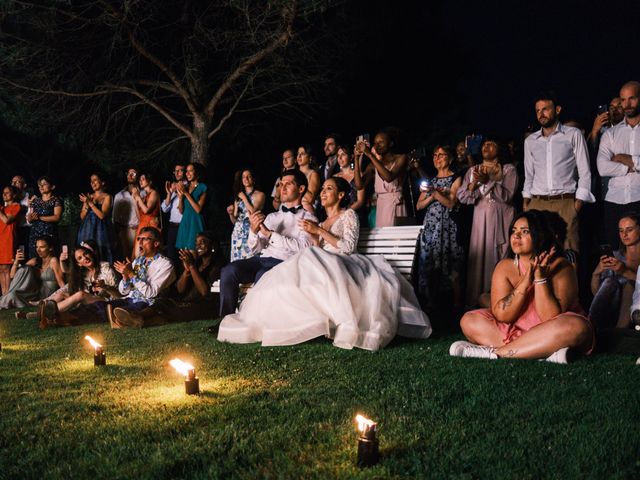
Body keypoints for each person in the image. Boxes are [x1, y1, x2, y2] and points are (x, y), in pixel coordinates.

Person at [217, 176, 431, 350]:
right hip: (321, 261)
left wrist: (318, 231)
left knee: (309, 267)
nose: (323, 192)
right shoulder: (317, 221)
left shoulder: (348, 215)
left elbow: (347, 247)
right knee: (300, 269)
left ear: (340, 195)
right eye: (323, 189)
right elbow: (314, 249)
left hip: (345, 263)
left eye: (329, 189)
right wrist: (316, 236)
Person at [450, 210, 594, 363]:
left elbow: (549, 317)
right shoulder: (504, 267)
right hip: (517, 330)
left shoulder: (562, 266)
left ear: (540, 235)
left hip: (552, 330)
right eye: (514, 231)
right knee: (469, 319)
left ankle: (497, 353)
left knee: (576, 327)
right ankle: (541, 351)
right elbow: (502, 316)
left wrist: (539, 278)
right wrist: (526, 281)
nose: (516, 236)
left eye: (525, 231)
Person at [218, 169, 317, 318]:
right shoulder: (272, 216)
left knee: (262, 275)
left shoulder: (309, 218)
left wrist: (271, 234)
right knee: (229, 270)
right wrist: (253, 230)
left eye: (288, 184)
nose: (282, 188)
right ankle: (225, 320)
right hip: (261, 259)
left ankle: (255, 321)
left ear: (301, 189)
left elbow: (302, 247)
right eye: (280, 184)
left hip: (285, 263)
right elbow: (255, 248)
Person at [39, 227, 175, 328]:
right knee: (99, 306)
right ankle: (55, 317)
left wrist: (132, 274)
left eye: (145, 239)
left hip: (147, 303)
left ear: (156, 243)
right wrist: (125, 277)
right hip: (128, 299)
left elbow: (151, 293)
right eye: (139, 239)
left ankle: (58, 320)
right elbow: (124, 291)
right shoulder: (138, 261)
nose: (140, 242)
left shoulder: (165, 264)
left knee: (108, 311)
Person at [522, 92, 595, 252]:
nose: (541, 114)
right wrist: (526, 202)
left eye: (546, 109)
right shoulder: (530, 141)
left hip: (565, 203)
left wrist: (577, 204)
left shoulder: (573, 134)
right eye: (538, 110)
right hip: (537, 203)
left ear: (558, 109)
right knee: (536, 252)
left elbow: (585, 171)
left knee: (569, 252)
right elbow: (529, 174)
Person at [111, 231, 223, 328]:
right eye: (196, 243)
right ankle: (136, 319)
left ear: (212, 245)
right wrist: (187, 271)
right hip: (187, 301)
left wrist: (192, 267)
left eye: (202, 242)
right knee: (162, 303)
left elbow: (204, 292)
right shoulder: (197, 263)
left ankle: (135, 317)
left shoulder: (218, 266)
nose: (197, 246)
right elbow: (179, 289)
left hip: (206, 306)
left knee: (167, 309)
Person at [457, 138, 518, 307]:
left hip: (501, 218)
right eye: (484, 144)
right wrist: (475, 183)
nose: (486, 146)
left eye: (491, 144)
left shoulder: (508, 169)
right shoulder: (473, 170)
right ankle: (477, 301)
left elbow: (507, 196)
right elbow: (463, 197)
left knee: (499, 256)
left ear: (500, 148)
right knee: (480, 257)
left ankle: (500, 300)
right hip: (480, 220)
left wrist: (488, 181)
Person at [18, 241, 119, 321]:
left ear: (91, 253)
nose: (85, 258)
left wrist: (105, 286)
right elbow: (66, 282)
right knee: (62, 294)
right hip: (89, 302)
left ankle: (38, 315)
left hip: (107, 302)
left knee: (80, 294)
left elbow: (117, 294)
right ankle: (40, 310)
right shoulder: (84, 274)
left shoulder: (105, 267)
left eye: (86, 254)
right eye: (80, 258)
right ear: (79, 264)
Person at [416, 146, 464, 310]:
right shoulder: (430, 181)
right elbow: (419, 205)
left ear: (450, 158)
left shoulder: (456, 179)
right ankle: (430, 301)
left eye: (442, 155)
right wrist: (431, 195)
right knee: (429, 261)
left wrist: (435, 193)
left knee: (452, 261)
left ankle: (457, 302)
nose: (437, 158)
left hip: (448, 225)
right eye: (435, 155)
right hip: (431, 225)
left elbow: (451, 203)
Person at [596, 81, 640, 248]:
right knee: (615, 252)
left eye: (632, 99)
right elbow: (602, 168)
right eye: (623, 100)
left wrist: (623, 157)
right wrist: (632, 166)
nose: (627, 104)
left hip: (639, 197)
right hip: (613, 201)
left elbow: (610, 165)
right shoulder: (611, 133)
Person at [590, 213, 640, 330]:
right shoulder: (616, 256)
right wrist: (596, 273)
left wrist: (624, 271)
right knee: (609, 281)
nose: (624, 235)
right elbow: (598, 293)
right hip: (613, 308)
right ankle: (592, 327)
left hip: (637, 306)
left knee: (629, 286)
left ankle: (620, 330)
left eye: (629, 230)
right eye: (621, 231)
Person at [354, 128, 408, 227]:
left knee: (398, 238)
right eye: (375, 143)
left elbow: (389, 177)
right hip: (382, 205)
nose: (376, 146)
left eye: (381, 142)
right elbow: (359, 185)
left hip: (396, 203)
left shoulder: (401, 158)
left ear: (390, 143)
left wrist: (370, 154)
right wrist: (356, 159)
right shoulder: (373, 164)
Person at [0, 235, 64, 309]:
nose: (38, 250)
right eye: (37, 247)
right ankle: (7, 297)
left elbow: (61, 282)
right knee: (24, 269)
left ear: (50, 248)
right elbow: (13, 276)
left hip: (46, 297)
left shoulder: (53, 261)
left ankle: (4, 300)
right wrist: (16, 262)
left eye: (42, 247)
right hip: (33, 295)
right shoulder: (35, 261)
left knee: (12, 296)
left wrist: (65, 296)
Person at [228, 169, 265, 261]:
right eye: (243, 177)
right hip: (237, 233)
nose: (246, 179)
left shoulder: (260, 194)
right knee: (237, 261)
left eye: (248, 176)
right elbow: (234, 221)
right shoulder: (238, 197)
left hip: (251, 231)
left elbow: (253, 212)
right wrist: (231, 214)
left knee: (249, 260)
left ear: (253, 179)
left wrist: (244, 198)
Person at [76, 172, 114, 263]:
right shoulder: (89, 196)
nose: (93, 183)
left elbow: (102, 215)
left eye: (95, 180)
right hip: (87, 229)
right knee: (86, 250)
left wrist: (90, 203)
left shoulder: (107, 196)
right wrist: (86, 204)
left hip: (101, 230)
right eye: (91, 181)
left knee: (100, 251)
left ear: (102, 182)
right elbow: (82, 216)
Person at [27, 176, 63, 259]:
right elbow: (30, 218)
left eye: (44, 184)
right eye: (40, 185)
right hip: (35, 234)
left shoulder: (56, 200)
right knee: (34, 259)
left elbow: (57, 217)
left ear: (52, 186)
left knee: (50, 258)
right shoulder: (35, 201)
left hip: (49, 233)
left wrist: (40, 217)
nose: (41, 187)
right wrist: (31, 218)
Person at [175, 163, 207, 250]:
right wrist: (181, 198)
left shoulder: (202, 187)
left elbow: (198, 209)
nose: (187, 173)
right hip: (185, 223)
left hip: (195, 223)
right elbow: (181, 211)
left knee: (194, 253)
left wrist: (186, 193)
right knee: (183, 255)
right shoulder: (186, 187)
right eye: (187, 171)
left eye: (191, 171)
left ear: (197, 173)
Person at [112, 167, 140, 261]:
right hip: (125, 231)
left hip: (139, 229)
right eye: (128, 173)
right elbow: (115, 217)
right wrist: (118, 234)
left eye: (134, 173)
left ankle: (138, 275)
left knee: (138, 258)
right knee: (126, 258)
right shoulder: (119, 195)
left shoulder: (143, 193)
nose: (130, 175)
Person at [161, 163, 186, 264]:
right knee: (171, 255)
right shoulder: (172, 187)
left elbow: (183, 210)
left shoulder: (187, 187)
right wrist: (169, 193)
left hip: (183, 226)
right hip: (172, 227)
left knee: (182, 255)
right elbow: (164, 208)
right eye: (176, 171)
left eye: (180, 170)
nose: (178, 173)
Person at [132, 172, 161, 258]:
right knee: (137, 254)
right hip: (142, 224)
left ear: (150, 181)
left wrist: (138, 197)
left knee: (146, 252)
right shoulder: (144, 196)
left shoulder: (154, 193)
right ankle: (137, 270)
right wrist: (136, 199)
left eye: (143, 179)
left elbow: (146, 210)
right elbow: (139, 214)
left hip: (150, 225)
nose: (140, 181)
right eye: (140, 180)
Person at [333, 145, 365, 215]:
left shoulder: (359, 175)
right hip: (337, 214)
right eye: (338, 155)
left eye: (343, 154)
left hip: (355, 213)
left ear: (351, 157)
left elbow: (360, 200)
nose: (340, 158)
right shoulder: (334, 177)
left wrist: (345, 212)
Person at [0, 186, 21, 294]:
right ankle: (4, 295)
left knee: (6, 268)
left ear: (14, 195)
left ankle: (8, 295)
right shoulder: (2, 208)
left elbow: (7, 220)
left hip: (8, 239)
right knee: (1, 268)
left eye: (7, 193)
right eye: (3, 193)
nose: (4, 194)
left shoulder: (16, 206)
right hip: (0, 239)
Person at [296, 145, 320, 215]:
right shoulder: (293, 173)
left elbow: (310, 199)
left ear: (310, 158)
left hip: (305, 210)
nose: (299, 156)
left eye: (302, 154)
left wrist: (298, 181)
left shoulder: (313, 174)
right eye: (298, 153)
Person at [11, 175, 30, 260]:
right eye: (12, 182)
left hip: (25, 229)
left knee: (24, 254)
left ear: (24, 185)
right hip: (12, 229)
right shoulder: (9, 198)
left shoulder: (30, 197)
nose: (14, 184)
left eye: (17, 182)